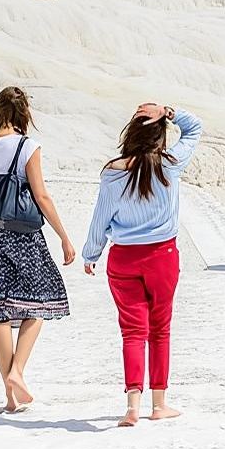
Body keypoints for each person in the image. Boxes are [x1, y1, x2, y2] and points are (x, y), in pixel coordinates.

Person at [83, 103, 202, 427]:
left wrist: (91, 254)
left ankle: (132, 406)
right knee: (159, 329)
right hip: (162, 257)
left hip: (123, 258)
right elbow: (196, 129)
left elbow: (101, 217)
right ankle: (159, 404)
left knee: (132, 331)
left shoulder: (113, 170)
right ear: (159, 133)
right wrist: (172, 113)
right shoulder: (170, 164)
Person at [0, 87, 77, 414]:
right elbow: (41, 197)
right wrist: (64, 236)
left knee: (0, 308)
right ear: (23, 114)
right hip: (24, 235)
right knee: (42, 299)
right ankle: (17, 372)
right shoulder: (28, 146)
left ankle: (10, 397)